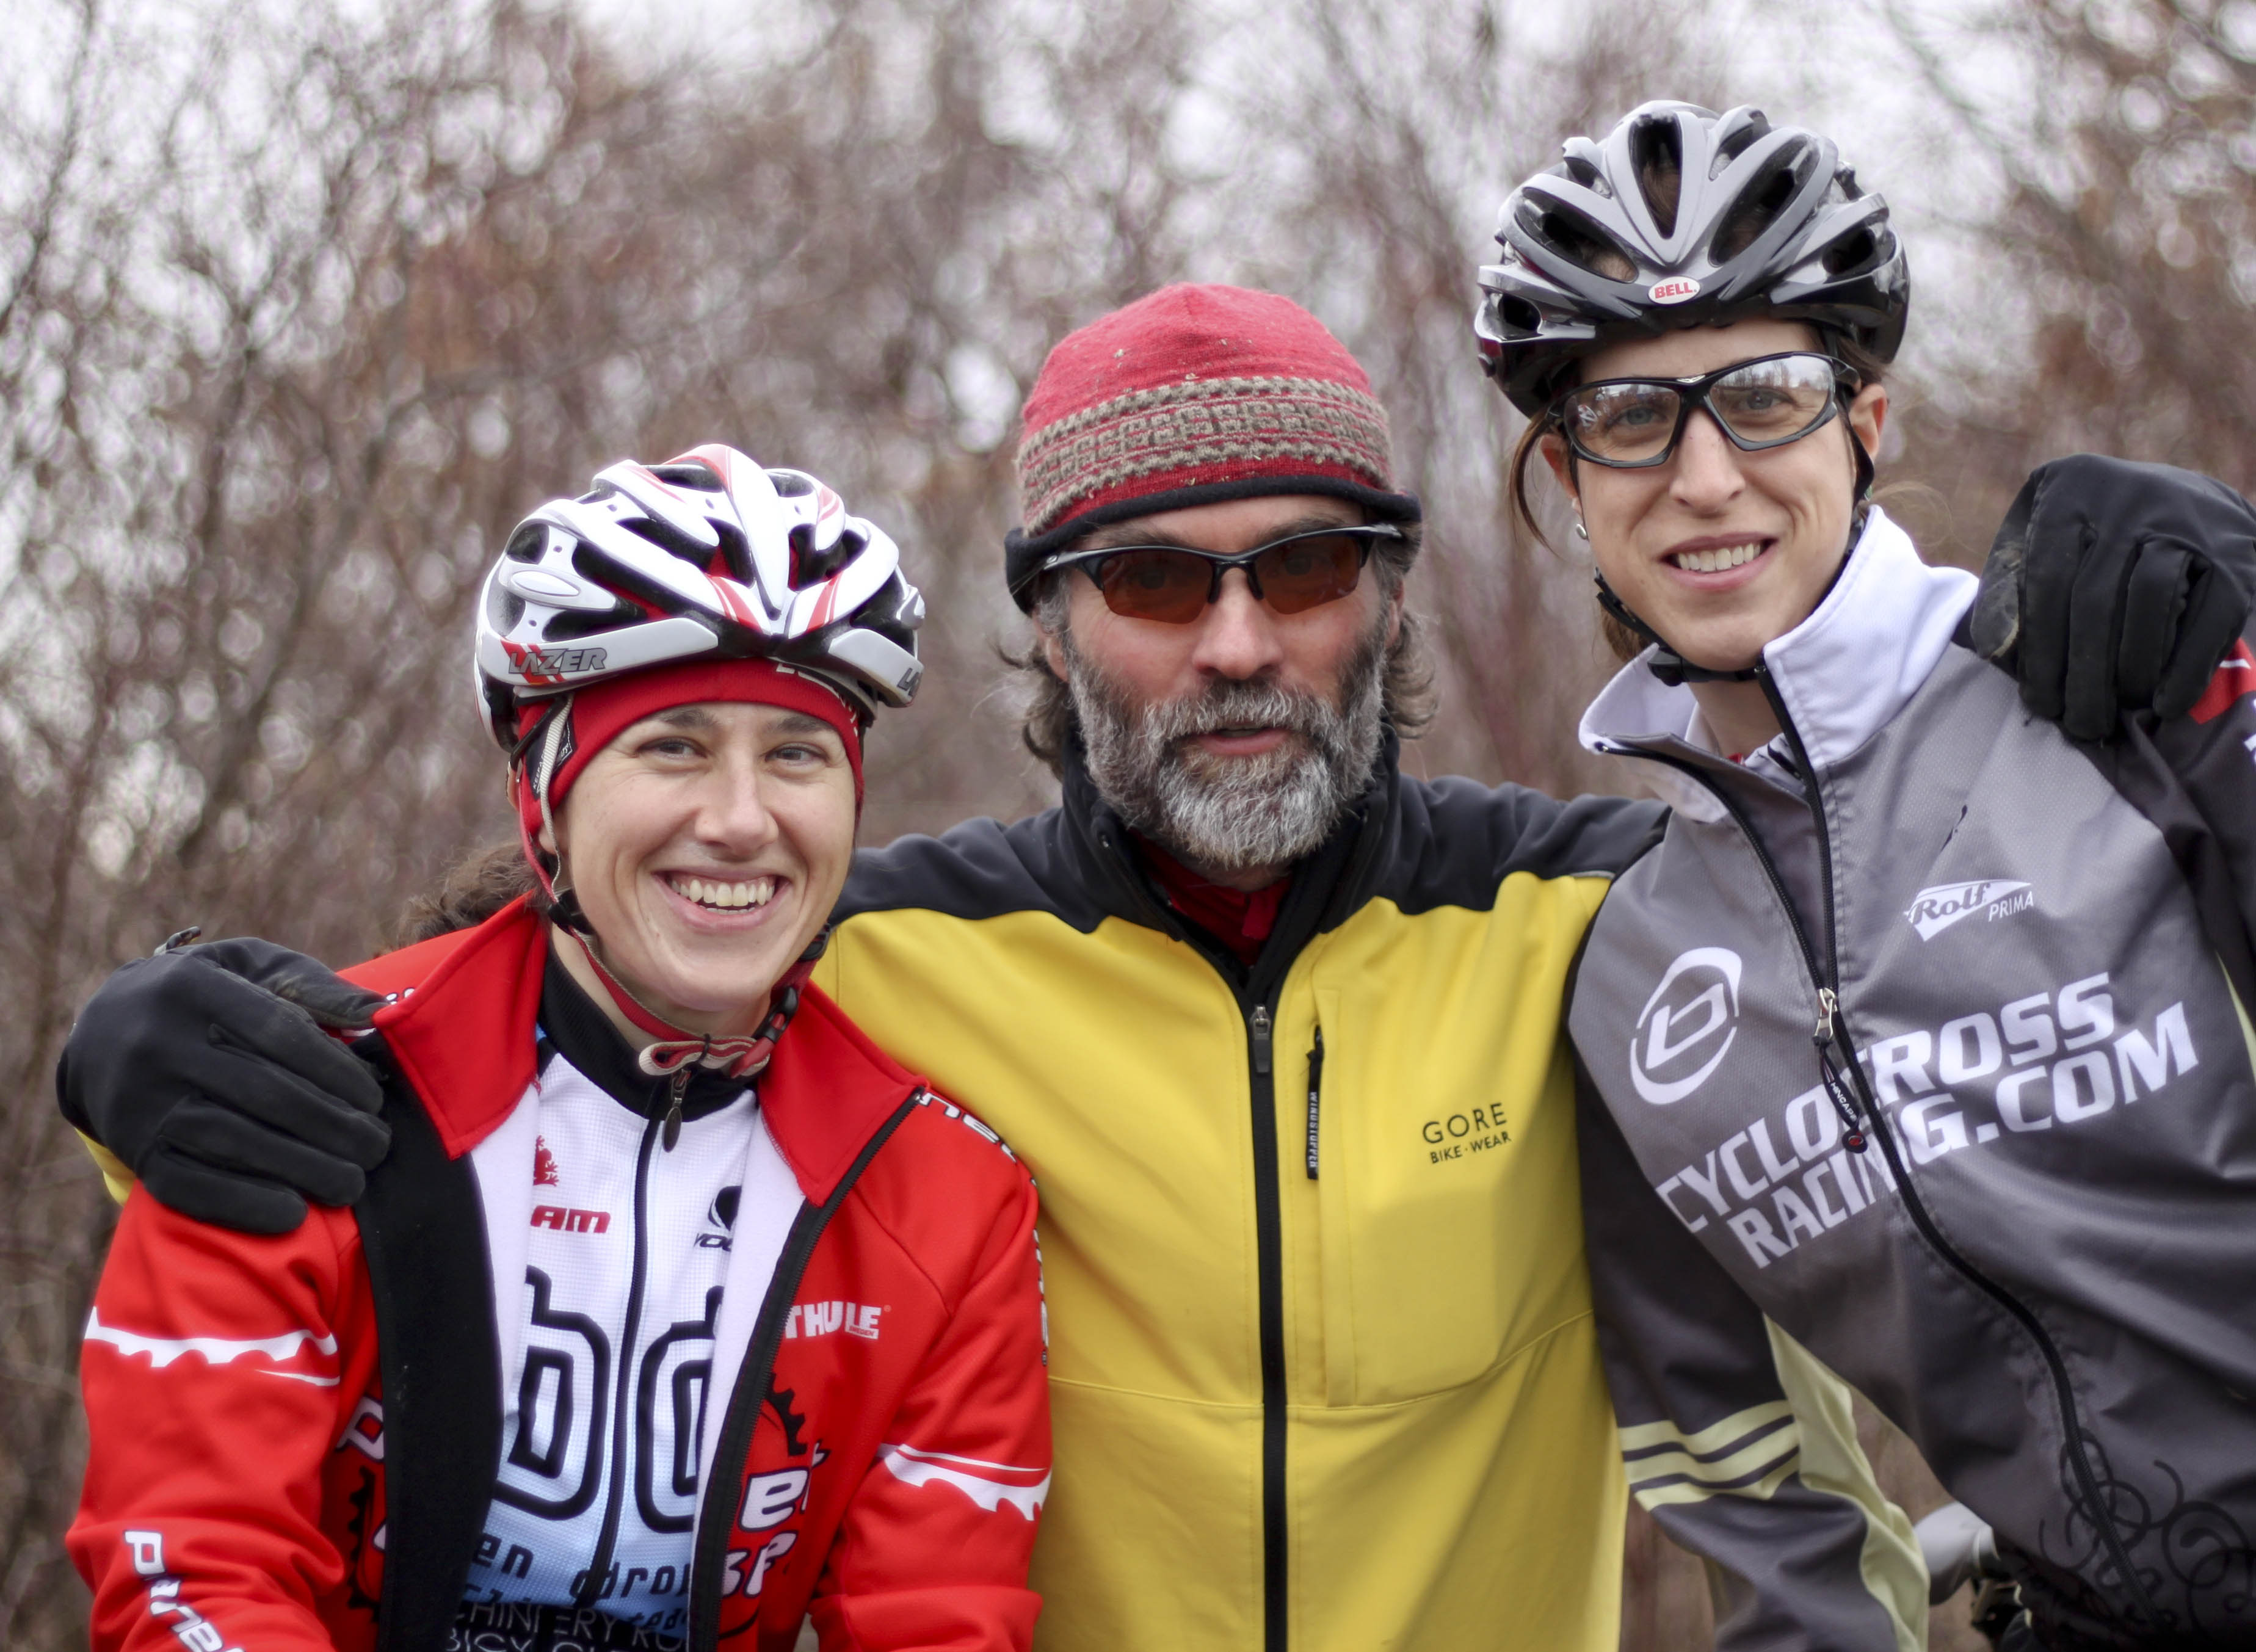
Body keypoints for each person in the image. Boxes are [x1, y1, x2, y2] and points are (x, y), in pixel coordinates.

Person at [59, 286, 2255, 1651]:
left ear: (1387, 598)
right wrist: (157, 1026)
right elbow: (526, 987)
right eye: (1144, 580)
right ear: (1043, 619)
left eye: (1300, 567)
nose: (1229, 644)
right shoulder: (885, 950)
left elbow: (1950, 904)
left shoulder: (1600, 916)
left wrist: (2151, 601)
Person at [1475, 100, 2256, 1649]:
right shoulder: (1625, 967)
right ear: (1571, 477)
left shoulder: (2121, 696)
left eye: (1762, 398)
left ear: (1866, 426)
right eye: (1632, 416)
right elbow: (1757, 1497)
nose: (1703, 480)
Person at [67, 449, 1052, 1652]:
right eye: (673, 748)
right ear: (546, 801)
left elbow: (933, 1625)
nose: (742, 821)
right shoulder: (303, 1095)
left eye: (796, 754)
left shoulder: (946, 1198)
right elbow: (192, 1574)